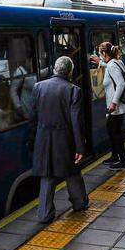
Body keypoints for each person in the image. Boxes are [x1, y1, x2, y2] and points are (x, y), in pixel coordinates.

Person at [29, 56, 89, 223]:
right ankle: (79, 202)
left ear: (55, 69)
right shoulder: (73, 90)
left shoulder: (38, 87)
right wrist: (80, 147)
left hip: (43, 138)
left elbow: (32, 118)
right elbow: (76, 121)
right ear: (70, 71)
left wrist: (32, 140)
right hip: (64, 138)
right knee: (72, 171)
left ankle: (44, 214)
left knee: (47, 175)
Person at [99, 41, 125, 169]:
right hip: (116, 106)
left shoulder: (112, 65)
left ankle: (123, 161)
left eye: (100, 53)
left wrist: (113, 103)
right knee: (113, 129)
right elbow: (108, 65)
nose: (100, 55)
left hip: (116, 106)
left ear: (104, 53)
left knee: (114, 131)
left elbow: (120, 84)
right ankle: (115, 155)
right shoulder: (116, 62)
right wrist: (99, 62)